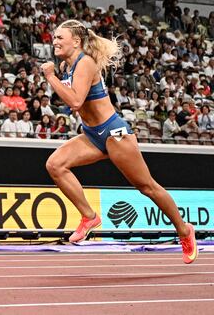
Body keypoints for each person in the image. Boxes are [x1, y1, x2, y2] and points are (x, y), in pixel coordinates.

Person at [41, 20, 197, 262]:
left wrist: (51, 77)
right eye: (55, 37)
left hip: (114, 133)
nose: (55, 41)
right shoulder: (68, 65)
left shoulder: (85, 63)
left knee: (147, 187)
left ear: (76, 41)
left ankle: (184, 230)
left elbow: (74, 102)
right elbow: (78, 103)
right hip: (92, 134)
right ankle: (89, 215)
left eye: (61, 37)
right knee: (55, 165)